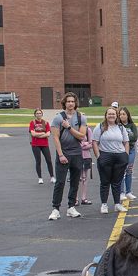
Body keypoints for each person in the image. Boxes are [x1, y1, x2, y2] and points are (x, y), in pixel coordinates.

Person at [49, 93, 87, 221]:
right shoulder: (58, 118)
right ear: (64, 103)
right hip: (63, 153)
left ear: (75, 103)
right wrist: (60, 155)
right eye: (68, 101)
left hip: (77, 153)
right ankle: (55, 209)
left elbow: (81, 136)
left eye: (73, 101)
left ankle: (71, 207)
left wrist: (69, 127)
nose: (70, 103)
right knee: (60, 182)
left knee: (75, 181)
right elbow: (55, 137)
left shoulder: (81, 117)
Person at [93, 106, 130, 214]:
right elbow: (95, 142)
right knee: (105, 182)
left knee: (117, 182)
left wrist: (126, 155)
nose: (111, 116)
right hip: (105, 156)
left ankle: (117, 204)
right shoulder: (100, 126)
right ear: (106, 115)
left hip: (120, 156)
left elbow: (126, 142)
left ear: (116, 115)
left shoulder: (121, 128)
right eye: (109, 114)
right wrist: (98, 156)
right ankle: (104, 204)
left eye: (113, 114)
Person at [28, 109, 55, 185]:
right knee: (38, 161)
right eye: (37, 113)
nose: (38, 114)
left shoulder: (46, 123)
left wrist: (38, 134)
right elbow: (33, 134)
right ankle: (40, 178)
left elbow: (48, 134)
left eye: (40, 113)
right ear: (35, 114)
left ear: (42, 114)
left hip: (44, 144)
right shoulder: (32, 123)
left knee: (49, 160)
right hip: (35, 145)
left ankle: (52, 177)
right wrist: (43, 133)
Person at [117, 106, 138, 201]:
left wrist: (125, 139)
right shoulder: (118, 126)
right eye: (120, 114)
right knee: (121, 171)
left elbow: (134, 138)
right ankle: (121, 192)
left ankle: (128, 192)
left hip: (131, 150)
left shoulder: (132, 125)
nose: (122, 116)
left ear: (127, 115)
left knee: (129, 170)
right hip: (120, 151)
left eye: (124, 114)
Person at [77, 124, 94, 206]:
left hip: (86, 157)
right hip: (76, 156)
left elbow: (92, 144)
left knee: (84, 178)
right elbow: (74, 144)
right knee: (77, 178)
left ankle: (84, 198)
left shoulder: (88, 130)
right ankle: (75, 199)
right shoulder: (74, 129)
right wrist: (85, 144)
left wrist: (82, 145)